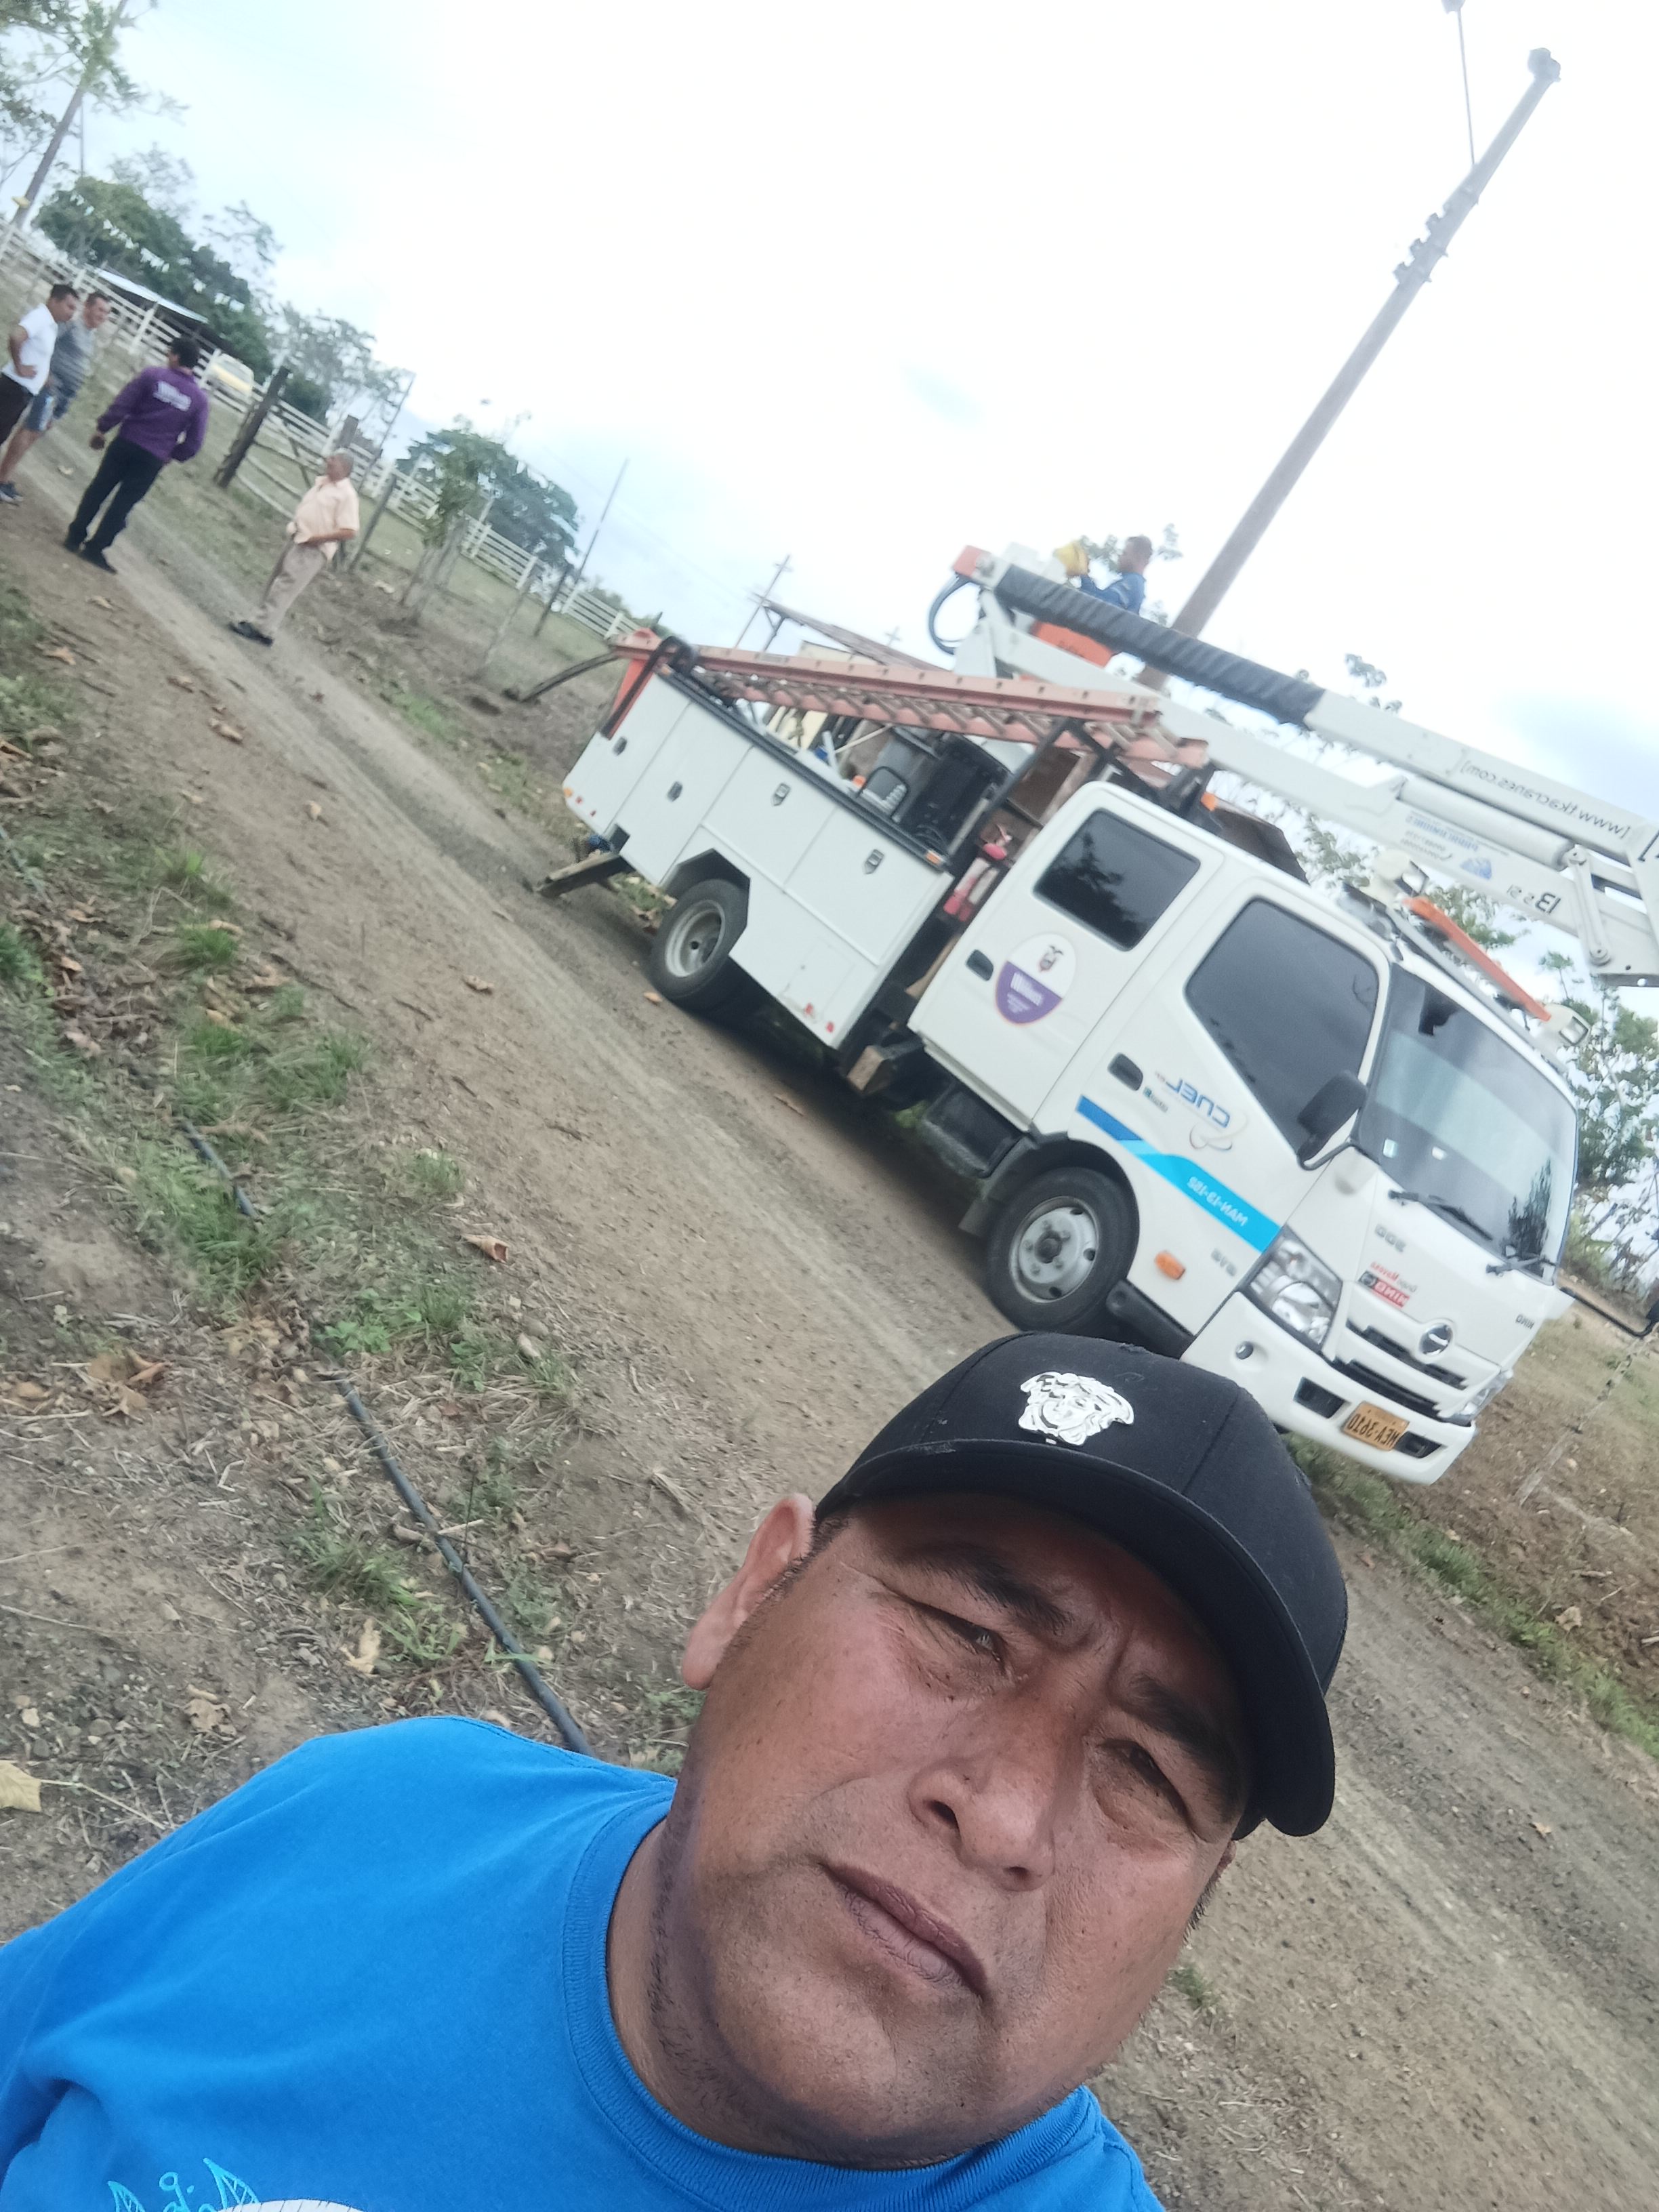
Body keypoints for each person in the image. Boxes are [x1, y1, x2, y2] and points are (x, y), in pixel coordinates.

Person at [0, 1333, 1346, 2209]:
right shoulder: (369, 1816)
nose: (1002, 1813)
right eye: (966, 1631)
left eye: (1147, 1773)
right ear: (754, 1593)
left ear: (1198, 1903)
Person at [64, 334, 209, 573]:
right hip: (153, 457)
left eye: (169, 352)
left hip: (126, 442)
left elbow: (124, 403)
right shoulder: (199, 400)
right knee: (124, 503)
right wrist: (173, 454)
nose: (167, 356)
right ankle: (96, 548)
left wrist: (103, 428)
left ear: (176, 356)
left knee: (99, 489)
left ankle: (74, 536)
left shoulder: (152, 376)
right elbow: (195, 442)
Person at [230, 448, 359, 643]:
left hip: (313, 548)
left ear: (345, 467)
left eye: (334, 459)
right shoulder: (323, 483)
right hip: (298, 539)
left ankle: (260, 627)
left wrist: (317, 539)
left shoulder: (346, 495)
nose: (329, 461)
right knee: (277, 582)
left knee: (285, 586)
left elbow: (349, 531)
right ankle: (266, 626)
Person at [0, 291, 112, 504]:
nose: (103, 316)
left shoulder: (90, 335)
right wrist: (46, 375)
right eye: (100, 309)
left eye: (107, 313)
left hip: (64, 396)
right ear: (88, 307)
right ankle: (2, 479)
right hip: (51, 389)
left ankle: (4, 476)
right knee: (30, 431)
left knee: (34, 434)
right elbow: (48, 344)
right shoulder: (71, 326)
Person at [0, 282, 79, 449]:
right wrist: (19, 366)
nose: (72, 313)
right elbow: (16, 336)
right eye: (69, 307)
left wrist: (45, 376)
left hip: (23, 391)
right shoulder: (41, 317)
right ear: (54, 301)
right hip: (14, 387)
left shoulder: (52, 325)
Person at [1078, 533, 1155, 614]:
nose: (1120, 557)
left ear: (1138, 558)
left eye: (1124, 553)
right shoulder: (1135, 584)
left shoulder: (1133, 582)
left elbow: (1102, 603)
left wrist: (1084, 574)